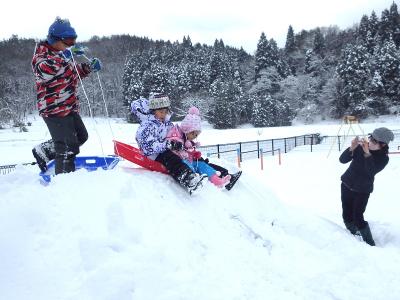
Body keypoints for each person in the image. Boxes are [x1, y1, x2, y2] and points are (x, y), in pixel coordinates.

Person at [31, 17, 102, 174]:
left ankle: (44, 150)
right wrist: (64, 56)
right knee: (67, 148)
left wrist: (88, 68)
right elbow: (43, 72)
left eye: (73, 40)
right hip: (53, 108)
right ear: (54, 39)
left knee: (81, 136)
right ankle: (64, 184)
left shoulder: (61, 53)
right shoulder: (42, 55)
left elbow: (71, 74)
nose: (72, 44)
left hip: (69, 106)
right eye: (68, 41)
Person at [134, 93, 207, 194]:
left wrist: (182, 143)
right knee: (171, 157)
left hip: (167, 148)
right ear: (153, 111)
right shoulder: (147, 125)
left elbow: (176, 135)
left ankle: (204, 172)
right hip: (153, 154)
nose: (163, 114)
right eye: (160, 111)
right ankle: (188, 179)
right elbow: (147, 146)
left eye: (165, 111)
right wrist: (168, 145)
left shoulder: (167, 123)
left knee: (186, 155)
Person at [339, 127, 394, 246]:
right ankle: (351, 236)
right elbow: (342, 160)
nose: (370, 142)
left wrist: (367, 154)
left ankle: (370, 243)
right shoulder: (359, 148)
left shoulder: (383, 158)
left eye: (374, 141)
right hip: (346, 184)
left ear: (383, 145)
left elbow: (371, 171)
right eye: (371, 138)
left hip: (362, 191)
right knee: (346, 214)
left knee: (358, 217)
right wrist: (351, 148)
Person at [166, 107, 232, 188]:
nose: (195, 137)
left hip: (190, 161)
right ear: (187, 130)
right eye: (194, 134)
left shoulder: (189, 140)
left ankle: (217, 181)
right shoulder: (176, 134)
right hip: (179, 162)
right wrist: (177, 145)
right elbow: (171, 143)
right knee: (186, 165)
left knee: (202, 165)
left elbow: (188, 151)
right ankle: (193, 179)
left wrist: (194, 153)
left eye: (197, 135)